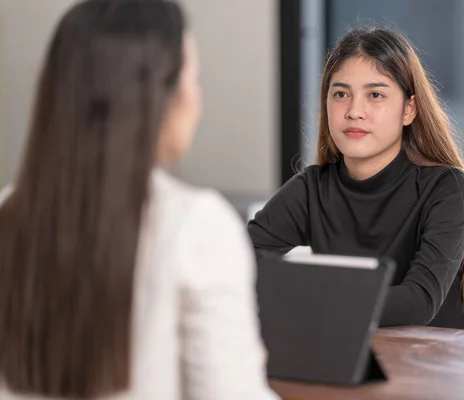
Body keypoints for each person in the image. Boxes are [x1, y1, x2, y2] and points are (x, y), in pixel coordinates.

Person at [0, 1, 278, 399]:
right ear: (161, 97)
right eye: (192, 78)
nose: (196, 97)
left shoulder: (7, 214)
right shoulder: (196, 227)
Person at [248, 27, 464, 332]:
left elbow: (417, 302)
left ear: (409, 109)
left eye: (375, 95)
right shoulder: (312, 188)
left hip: (437, 367)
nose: (354, 111)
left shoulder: (447, 187)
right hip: (350, 358)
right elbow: (237, 260)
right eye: (341, 94)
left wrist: (308, 301)